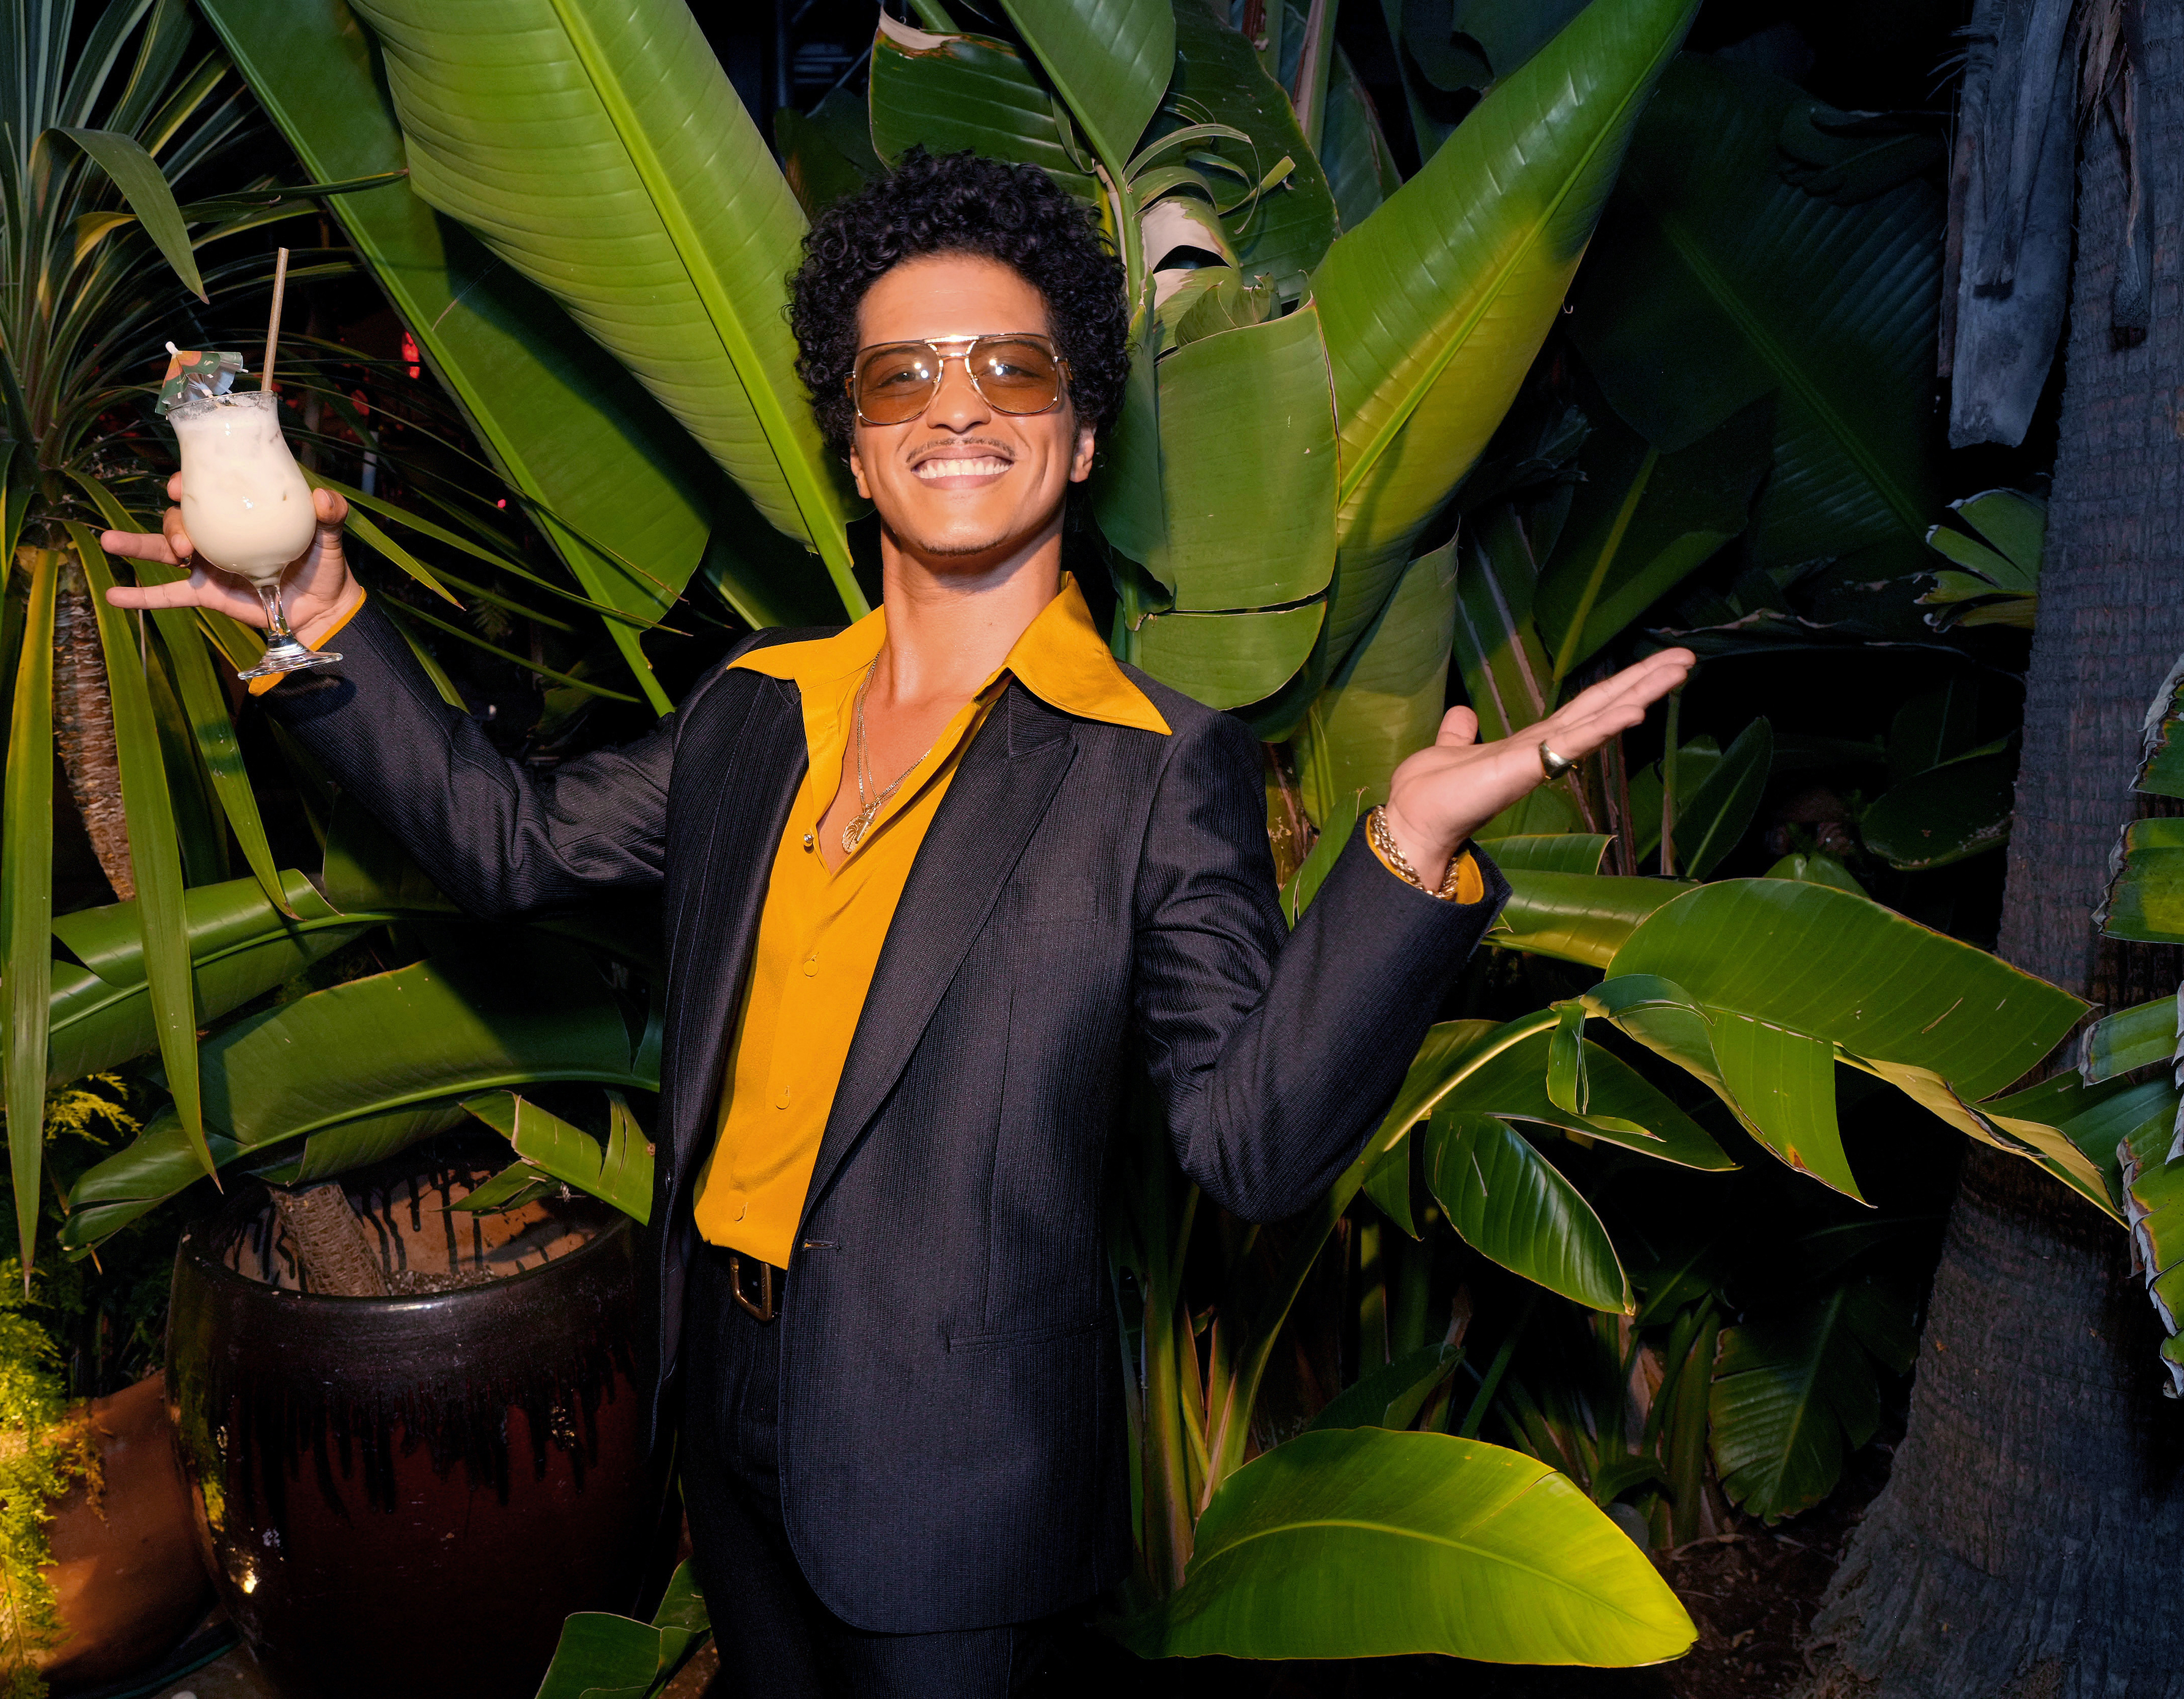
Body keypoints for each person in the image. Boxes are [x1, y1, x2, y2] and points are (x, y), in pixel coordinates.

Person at [103, 150, 1691, 1699]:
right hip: (725, 1413)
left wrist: (1406, 847)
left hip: (962, 1496)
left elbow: (1251, 1144)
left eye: (1014, 367)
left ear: (1078, 443)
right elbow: (505, 843)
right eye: (899, 379)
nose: (956, 405)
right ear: (855, 450)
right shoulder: (754, 713)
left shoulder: (1156, 764)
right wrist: (312, 612)